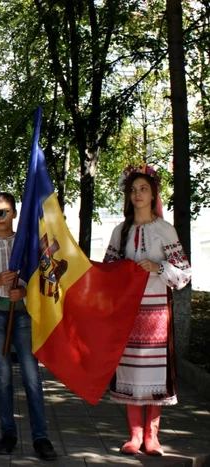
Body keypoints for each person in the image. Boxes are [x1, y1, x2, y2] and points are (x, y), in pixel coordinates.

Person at [103, 165, 191, 456]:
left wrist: (159, 267)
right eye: (132, 190)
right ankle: (134, 435)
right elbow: (108, 272)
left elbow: (185, 274)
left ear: (153, 193)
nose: (137, 194)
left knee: (154, 371)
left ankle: (152, 437)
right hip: (127, 313)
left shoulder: (165, 230)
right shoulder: (120, 231)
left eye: (143, 189)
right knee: (129, 369)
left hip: (155, 313)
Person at [0, 192, 57, 460]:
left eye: (4, 212)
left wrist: (24, 291)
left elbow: (41, 277)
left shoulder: (28, 246)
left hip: (23, 316)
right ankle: (8, 433)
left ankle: (40, 437)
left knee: (31, 375)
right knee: (2, 377)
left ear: (15, 213)